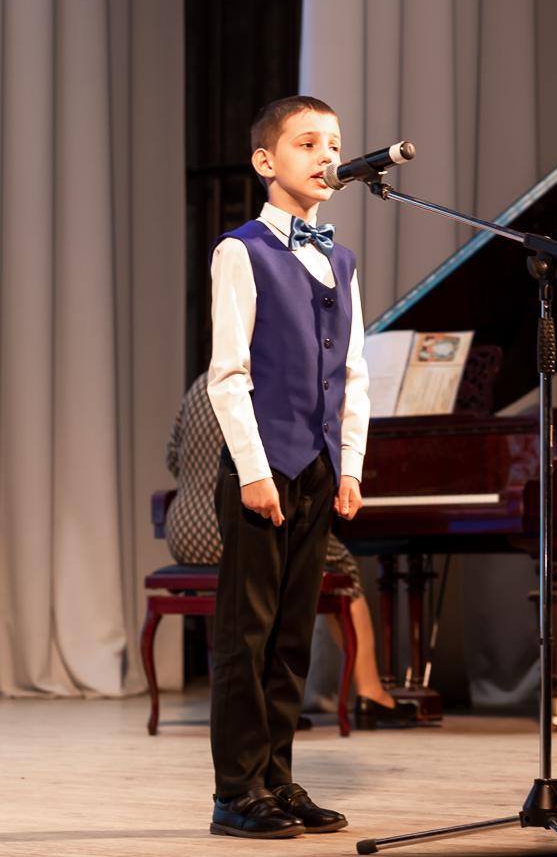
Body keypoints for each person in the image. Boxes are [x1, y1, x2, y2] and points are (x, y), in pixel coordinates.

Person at [206, 95, 374, 840]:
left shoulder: (340, 259)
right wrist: (251, 470)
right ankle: (236, 791)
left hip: (317, 468)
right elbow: (227, 374)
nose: (327, 156)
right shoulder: (240, 251)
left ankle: (277, 778)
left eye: (333, 144)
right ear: (265, 161)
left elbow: (354, 373)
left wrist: (350, 466)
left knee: (292, 636)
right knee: (248, 634)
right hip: (262, 464)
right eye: (307, 143)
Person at [164, 370, 413, 726]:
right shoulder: (268, 382)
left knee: (253, 581)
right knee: (341, 568)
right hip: (243, 511)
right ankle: (370, 692)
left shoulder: (198, 388)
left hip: (186, 528)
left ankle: (250, 698)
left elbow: (173, 456)